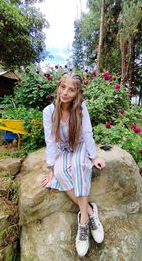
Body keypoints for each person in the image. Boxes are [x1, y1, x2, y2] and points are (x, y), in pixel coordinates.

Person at [41, 72, 105, 257]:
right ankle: (91, 212)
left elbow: (87, 134)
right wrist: (51, 168)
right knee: (61, 173)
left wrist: (93, 157)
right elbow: (51, 141)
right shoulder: (49, 111)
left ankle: (83, 222)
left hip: (79, 147)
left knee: (79, 167)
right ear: (58, 87)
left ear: (77, 93)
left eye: (71, 89)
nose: (65, 92)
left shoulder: (81, 108)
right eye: (63, 87)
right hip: (62, 150)